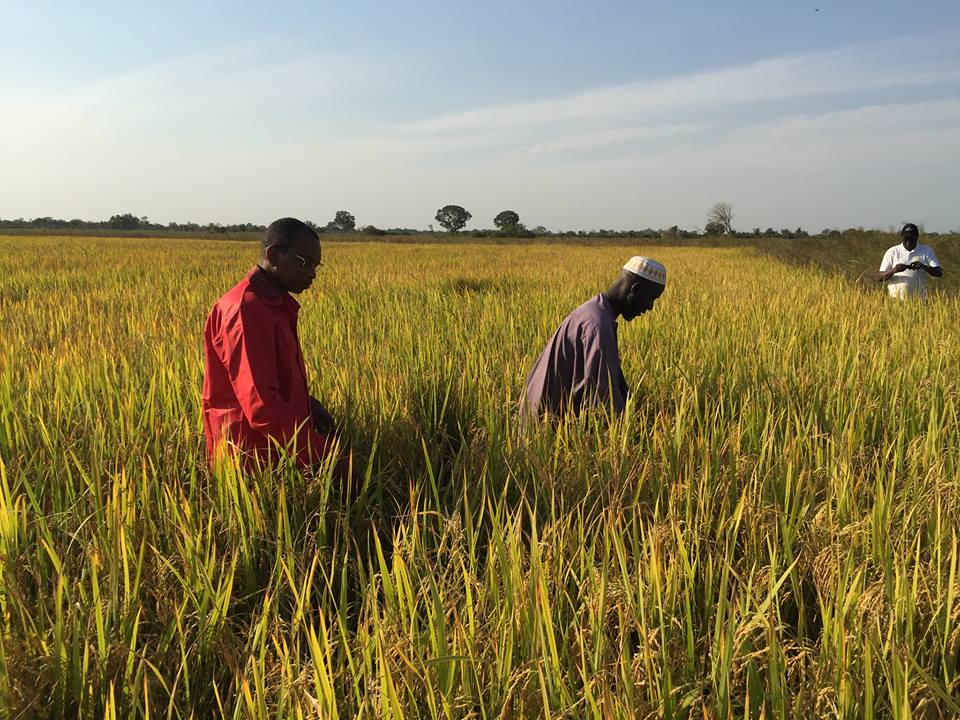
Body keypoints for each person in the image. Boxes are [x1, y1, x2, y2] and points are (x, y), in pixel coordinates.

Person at [202, 217, 336, 468]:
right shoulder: (247, 311)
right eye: (305, 263)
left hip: (278, 450)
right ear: (273, 255)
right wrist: (329, 460)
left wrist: (309, 405)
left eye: (316, 265)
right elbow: (262, 406)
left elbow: (273, 380)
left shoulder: (274, 305)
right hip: (250, 461)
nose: (312, 274)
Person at [522, 256, 666, 422]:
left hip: (545, 415)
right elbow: (603, 397)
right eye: (651, 298)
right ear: (636, 289)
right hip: (545, 426)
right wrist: (629, 434)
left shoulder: (596, 311)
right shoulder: (597, 326)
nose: (650, 307)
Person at [877, 223, 943, 299]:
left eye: (911, 238)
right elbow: (879, 277)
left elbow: (939, 272)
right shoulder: (893, 251)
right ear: (901, 237)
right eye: (906, 238)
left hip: (919, 300)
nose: (908, 241)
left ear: (917, 237)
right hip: (895, 300)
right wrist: (894, 270)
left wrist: (924, 266)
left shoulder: (926, 251)